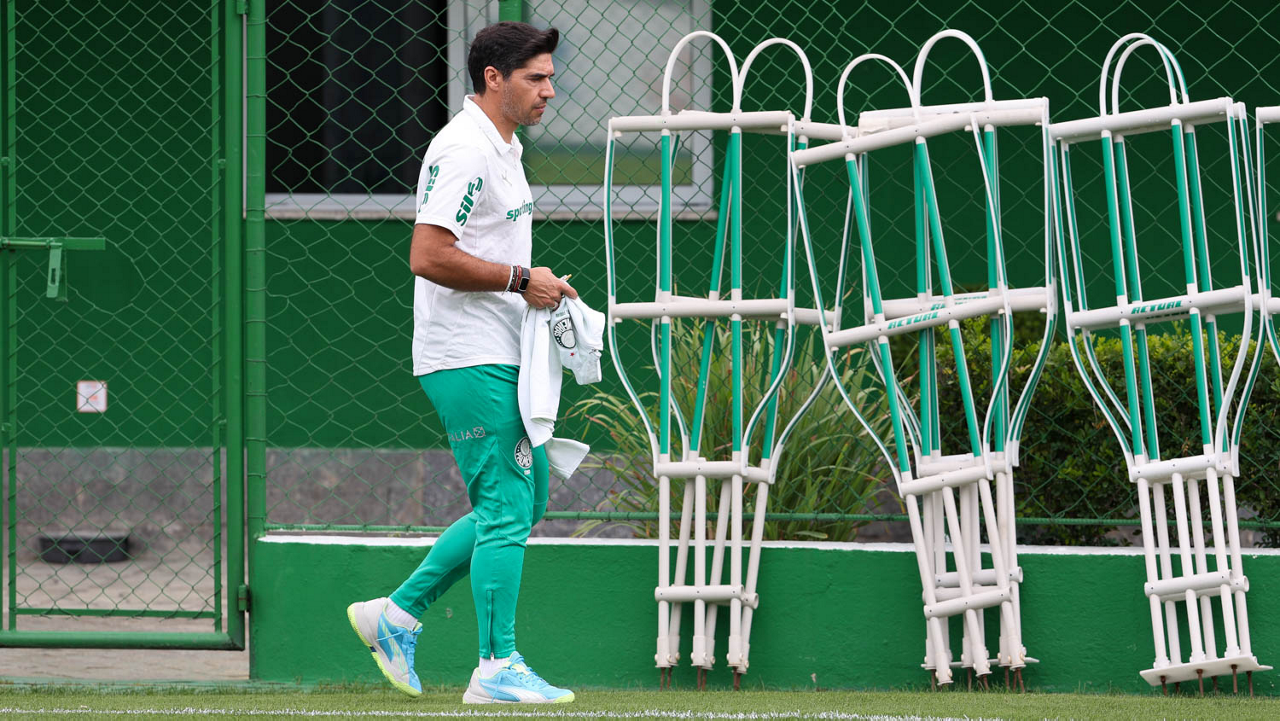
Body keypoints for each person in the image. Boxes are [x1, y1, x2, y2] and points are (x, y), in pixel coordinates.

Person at [346, 21, 577, 705]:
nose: (550, 90)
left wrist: (534, 285)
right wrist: (518, 279)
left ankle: (396, 613)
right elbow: (427, 254)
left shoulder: (503, 149)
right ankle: (495, 666)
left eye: (551, 77)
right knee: (507, 506)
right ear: (494, 78)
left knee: (520, 501)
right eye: (536, 78)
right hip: (466, 356)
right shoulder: (464, 148)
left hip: (500, 350)